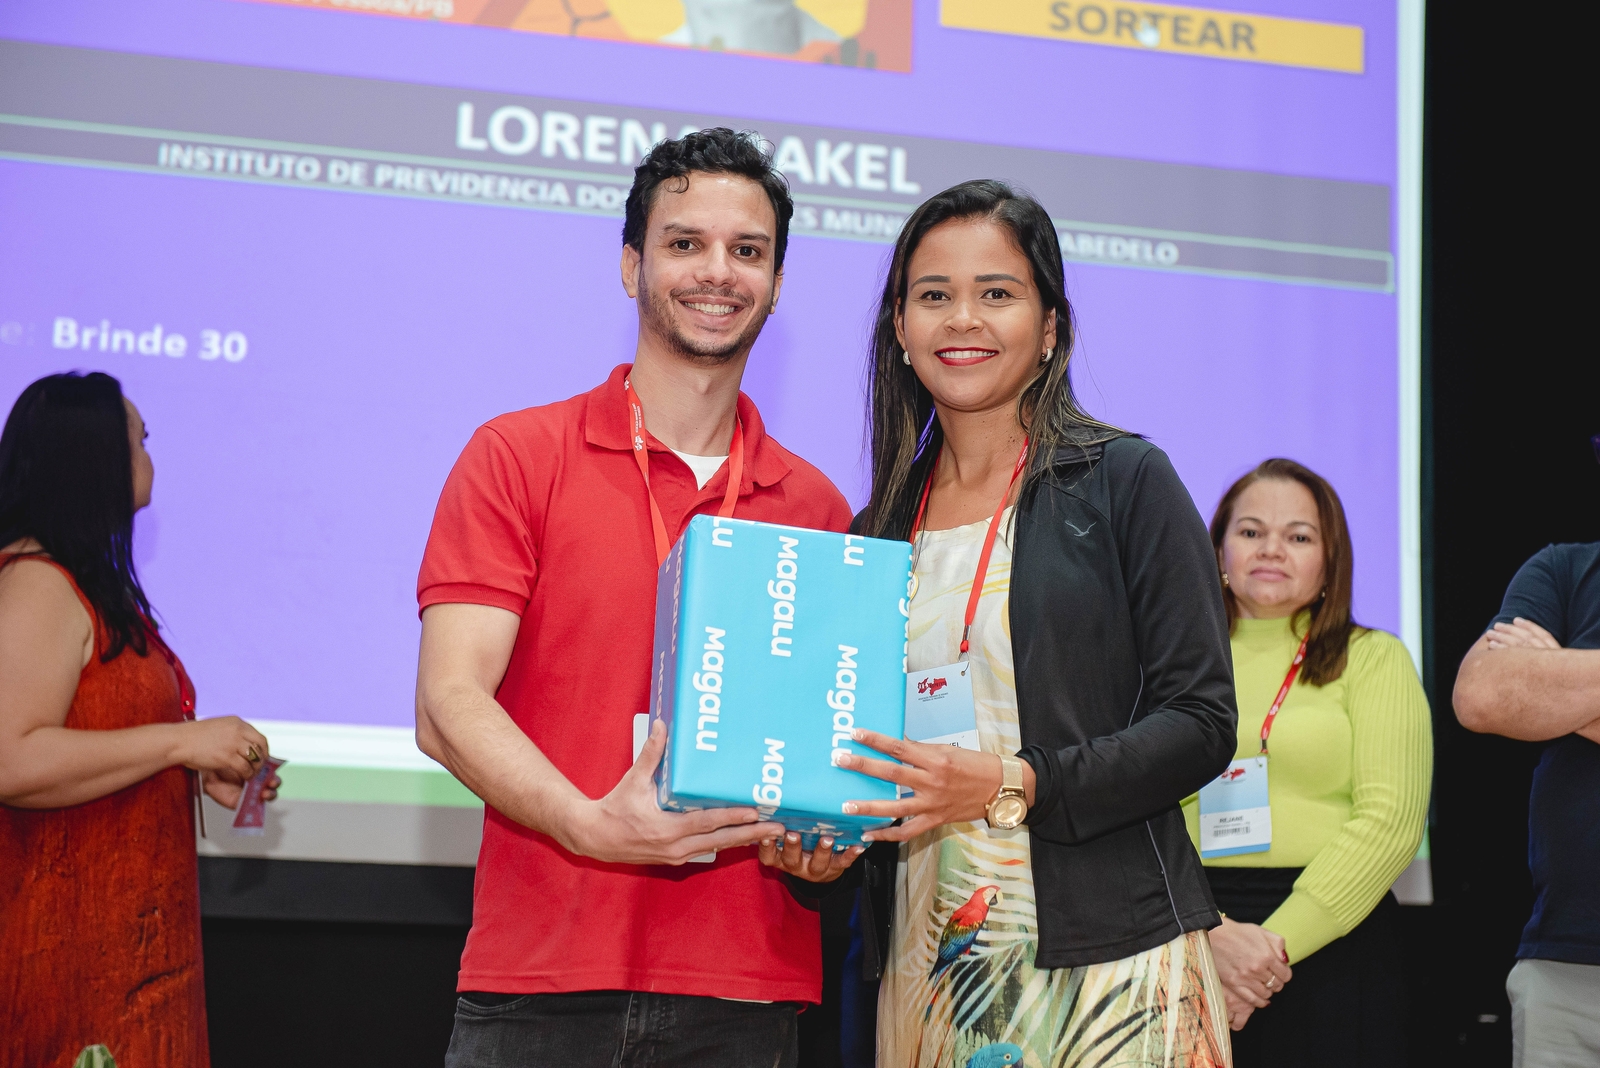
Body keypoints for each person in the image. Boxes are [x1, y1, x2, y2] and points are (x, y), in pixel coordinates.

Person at [414, 128, 863, 1068]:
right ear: (631, 265)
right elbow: (447, 705)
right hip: (540, 980)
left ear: (777, 282)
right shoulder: (518, 456)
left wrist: (820, 844)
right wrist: (590, 823)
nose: (718, 271)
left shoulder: (818, 508)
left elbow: (814, 761)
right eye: (685, 242)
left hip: (743, 994)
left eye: (748, 250)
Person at [830, 179, 1238, 1067]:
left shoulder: (1125, 480)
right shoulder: (872, 534)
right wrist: (822, 842)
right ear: (899, 328)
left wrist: (1016, 783)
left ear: (1049, 327)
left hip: (1114, 966)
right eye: (933, 295)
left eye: (997, 293)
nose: (962, 319)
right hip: (935, 974)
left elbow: (1202, 722)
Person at [0, 371, 278, 1068]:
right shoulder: (37, 584)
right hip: (63, 961)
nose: (151, 454)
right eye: (140, 439)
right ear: (94, 457)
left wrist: (195, 770)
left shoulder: (87, 588)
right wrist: (181, 742)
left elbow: (90, 740)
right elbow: (11, 759)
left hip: (128, 955)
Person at [1185, 458, 1432, 1065]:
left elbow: (1391, 824)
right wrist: (1209, 935)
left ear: (1329, 562)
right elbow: (1128, 809)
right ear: (1217, 550)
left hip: (1334, 941)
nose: (1272, 549)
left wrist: (1267, 953)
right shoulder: (1169, 663)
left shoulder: (1374, 658)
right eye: (1251, 531)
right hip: (1191, 930)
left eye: (1299, 536)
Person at [1454, 535, 1600, 1068]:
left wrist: (1554, 669)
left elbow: (1520, 689)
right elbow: (1482, 696)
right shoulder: (1564, 569)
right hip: (1566, 965)